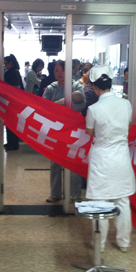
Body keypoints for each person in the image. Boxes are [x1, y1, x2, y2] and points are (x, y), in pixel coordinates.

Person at [85, 66, 136, 253]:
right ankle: (124, 243)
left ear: (95, 87)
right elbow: (127, 126)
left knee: (100, 202)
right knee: (122, 200)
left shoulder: (93, 109)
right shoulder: (126, 104)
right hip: (121, 157)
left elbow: (89, 132)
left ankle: (100, 245)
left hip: (102, 158)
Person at [43, 60, 86, 202]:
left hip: (74, 130)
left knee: (74, 161)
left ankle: (75, 194)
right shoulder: (50, 88)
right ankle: (55, 193)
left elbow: (81, 105)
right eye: (57, 71)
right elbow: (45, 109)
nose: (60, 74)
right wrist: (65, 105)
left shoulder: (76, 85)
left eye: (62, 70)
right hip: (55, 130)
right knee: (55, 162)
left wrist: (59, 106)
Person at [4, 54, 24, 151]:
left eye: (6, 64)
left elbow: (15, 88)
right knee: (9, 123)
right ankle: (10, 142)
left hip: (12, 102)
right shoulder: (10, 72)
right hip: (9, 102)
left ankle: (13, 144)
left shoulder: (14, 72)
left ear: (11, 63)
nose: (5, 66)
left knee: (12, 124)